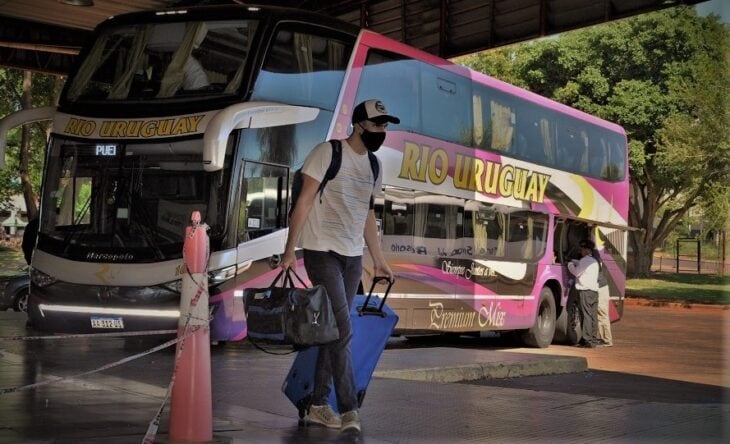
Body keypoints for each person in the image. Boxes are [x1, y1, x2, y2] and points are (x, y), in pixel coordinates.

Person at [280, 99, 397, 433]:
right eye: (377, 125)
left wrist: (379, 260)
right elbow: (302, 202)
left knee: (332, 333)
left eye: (386, 126)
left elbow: (368, 215)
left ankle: (317, 405)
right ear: (359, 125)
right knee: (343, 330)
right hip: (321, 252)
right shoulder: (327, 153)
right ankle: (349, 410)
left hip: (352, 257)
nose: (382, 132)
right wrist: (290, 250)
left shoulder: (374, 166)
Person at [568, 239, 601, 348]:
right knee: (592, 316)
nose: (581, 251)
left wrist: (569, 264)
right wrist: (576, 262)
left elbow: (576, 272)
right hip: (593, 291)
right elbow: (581, 264)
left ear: (587, 250)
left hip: (585, 291)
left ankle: (586, 340)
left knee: (586, 315)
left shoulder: (585, 261)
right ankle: (592, 338)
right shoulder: (593, 261)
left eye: (582, 249)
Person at [592, 247, 613, 347]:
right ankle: (604, 339)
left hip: (601, 287)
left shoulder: (593, 256)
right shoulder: (595, 253)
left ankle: (607, 340)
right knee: (601, 314)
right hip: (601, 287)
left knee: (602, 313)